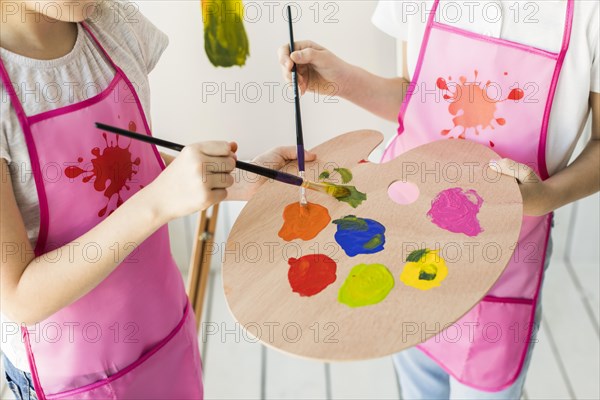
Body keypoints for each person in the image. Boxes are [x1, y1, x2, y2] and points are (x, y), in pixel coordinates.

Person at [278, 0, 599, 398]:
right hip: (404, 233)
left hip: (506, 258)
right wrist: (341, 81)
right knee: (417, 378)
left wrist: (543, 197)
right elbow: (415, 96)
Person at [0, 1, 313, 398]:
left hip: (165, 333)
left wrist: (236, 180)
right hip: (75, 381)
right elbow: (18, 297)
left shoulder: (112, 22)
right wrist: (158, 203)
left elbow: (131, 167)